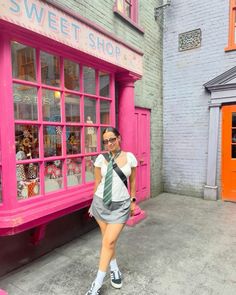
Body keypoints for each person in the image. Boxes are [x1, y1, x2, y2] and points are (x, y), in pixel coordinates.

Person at [86, 127, 137, 295]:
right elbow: (97, 182)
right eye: (105, 141)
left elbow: (133, 181)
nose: (109, 143)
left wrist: (133, 201)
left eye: (112, 139)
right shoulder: (101, 158)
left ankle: (97, 284)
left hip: (121, 206)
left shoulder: (130, 158)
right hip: (101, 203)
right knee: (109, 242)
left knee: (108, 242)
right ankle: (114, 269)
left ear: (119, 138)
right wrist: (92, 203)